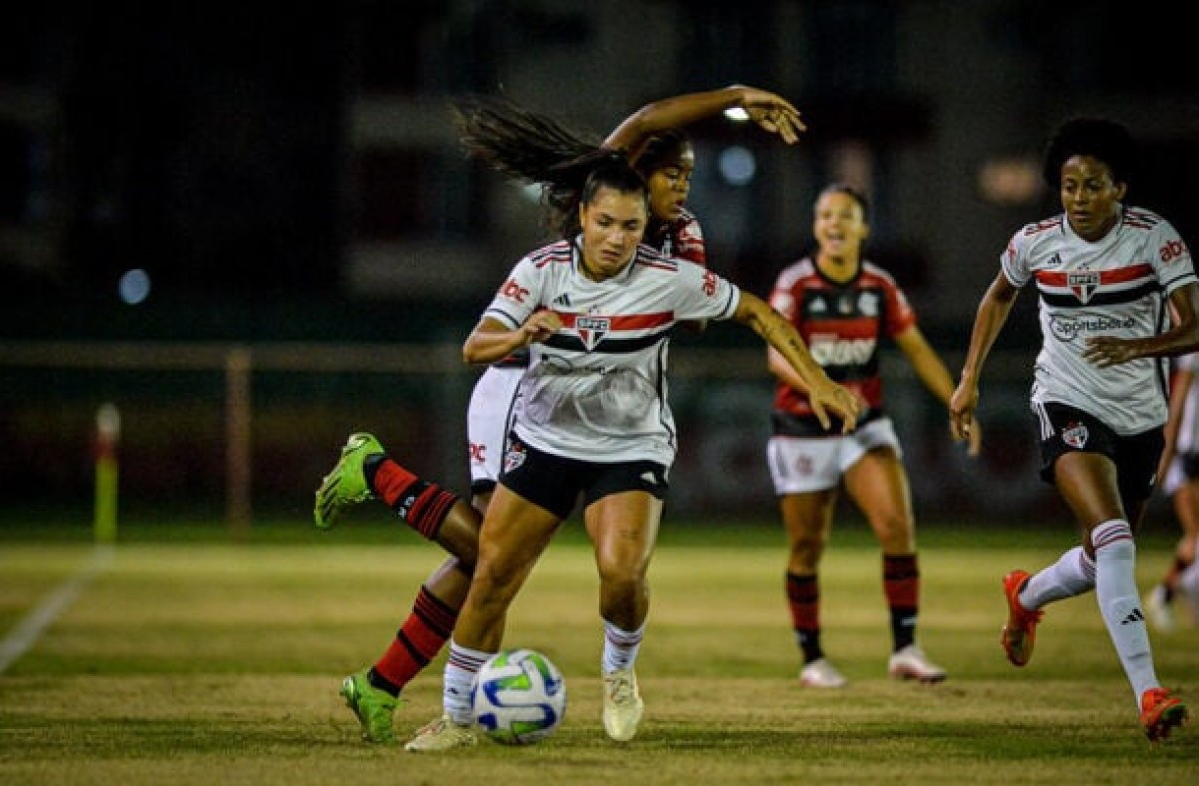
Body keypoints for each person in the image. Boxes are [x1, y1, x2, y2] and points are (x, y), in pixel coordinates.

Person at [314, 85, 810, 745]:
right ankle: (375, 471)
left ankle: (381, 684)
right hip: (519, 382)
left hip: (595, 407)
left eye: (689, 174)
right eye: (673, 173)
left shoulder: (679, 234)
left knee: (487, 561)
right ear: (629, 180)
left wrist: (664, 283)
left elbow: (692, 317)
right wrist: (731, 97)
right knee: (490, 555)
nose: (683, 186)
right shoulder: (601, 198)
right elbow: (645, 119)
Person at [402, 160, 862, 751]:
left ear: (647, 225)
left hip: (630, 444)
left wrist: (817, 381)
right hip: (545, 439)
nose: (618, 238)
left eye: (632, 225)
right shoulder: (540, 271)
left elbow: (758, 311)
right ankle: (457, 720)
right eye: (606, 223)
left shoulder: (668, 277)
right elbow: (475, 346)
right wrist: (519, 336)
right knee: (492, 575)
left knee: (621, 575)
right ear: (583, 219)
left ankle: (619, 672)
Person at [948, 117, 1197, 742]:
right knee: (1115, 541)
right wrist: (969, 378)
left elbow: (1194, 326)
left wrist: (1141, 346)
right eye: (1068, 186)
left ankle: (1027, 594)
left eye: (1092, 186)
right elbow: (998, 295)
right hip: (1065, 402)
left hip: (1140, 415)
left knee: (1099, 556)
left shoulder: (1154, 240)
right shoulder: (1035, 242)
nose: (1078, 199)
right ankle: (1148, 693)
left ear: (1120, 188)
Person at [766, 184, 980, 689]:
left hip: (865, 425)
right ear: (815, 225)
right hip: (801, 428)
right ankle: (812, 657)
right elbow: (775, 355)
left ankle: (905, 648)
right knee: (807, 546)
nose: (834, 224)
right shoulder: (795, 284)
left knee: (897, 525)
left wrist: (957, 399)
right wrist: (821, 387)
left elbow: (917, 348)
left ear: (865, 227)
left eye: (846, 215)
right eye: (824, 215)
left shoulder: (879, 285)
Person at [1146, 352, 1199, 631]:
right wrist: (1166, 454)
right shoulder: (1194, 348)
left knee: (1194, 539)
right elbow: (1178, 403)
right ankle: (1171, 593)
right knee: (1194, 537)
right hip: (1191, 452)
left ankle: (1170, 593)